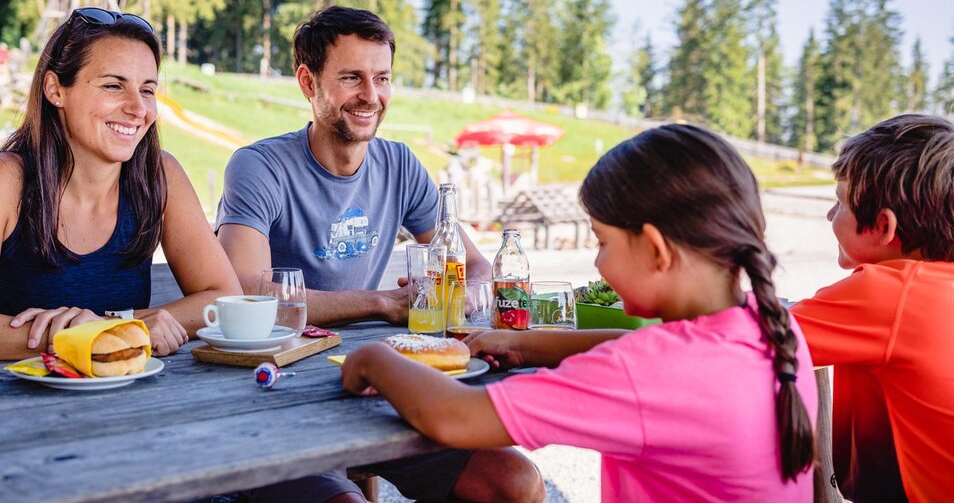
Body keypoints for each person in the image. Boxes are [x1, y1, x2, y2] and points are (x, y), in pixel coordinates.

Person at [343, 124, 819, 501]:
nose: (597, 263)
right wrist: (525, 344)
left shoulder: (645, 373)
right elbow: (638, 348)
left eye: (602, 241)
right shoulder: (772, 326)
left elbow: (454, 417)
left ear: (655, 249)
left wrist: (374, 358)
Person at [216, 6, 543, 503]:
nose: (371, 95)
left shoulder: (400, 164)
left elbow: (474, 265)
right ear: (308, 82)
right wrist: (382, 303)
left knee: (515, 482)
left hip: (378, 388)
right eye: (352, 77)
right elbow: (245, 291)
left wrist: (464, 296)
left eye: (382, 78)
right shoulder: (259, 166)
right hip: (282, 396)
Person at [0, 7, 241, 362]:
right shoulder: (2, 177)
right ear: (55, 89)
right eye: (113, 86)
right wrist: (92, 334)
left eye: (147, 90)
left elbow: (226, 299)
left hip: (121, 388)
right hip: (6, 391)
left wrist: (118, 326)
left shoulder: (160, 175)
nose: (138, 108)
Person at [789, 114, 954, 502]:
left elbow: (744, 335)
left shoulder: (894, 293)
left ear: (883, 227)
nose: (830, 215)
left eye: (840, 203)